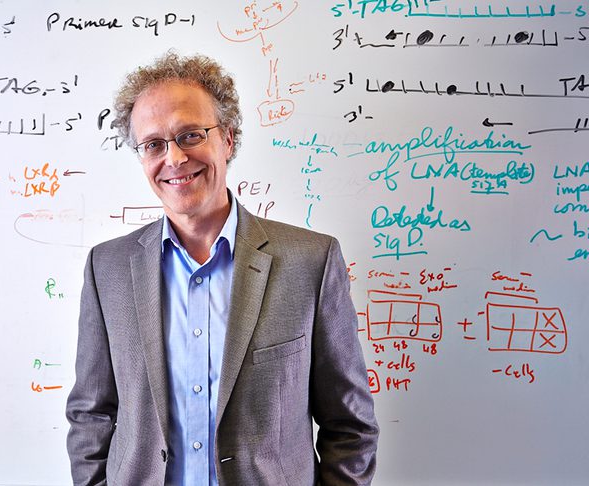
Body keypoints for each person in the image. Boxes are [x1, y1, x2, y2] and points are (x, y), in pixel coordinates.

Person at [66, 51, 378, 485]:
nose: (174, 158)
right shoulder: (108, 268)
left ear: (227, 139)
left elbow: (350, 427)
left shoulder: (310, 261)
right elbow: (91, 414)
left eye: (191, 135)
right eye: (154, 144)